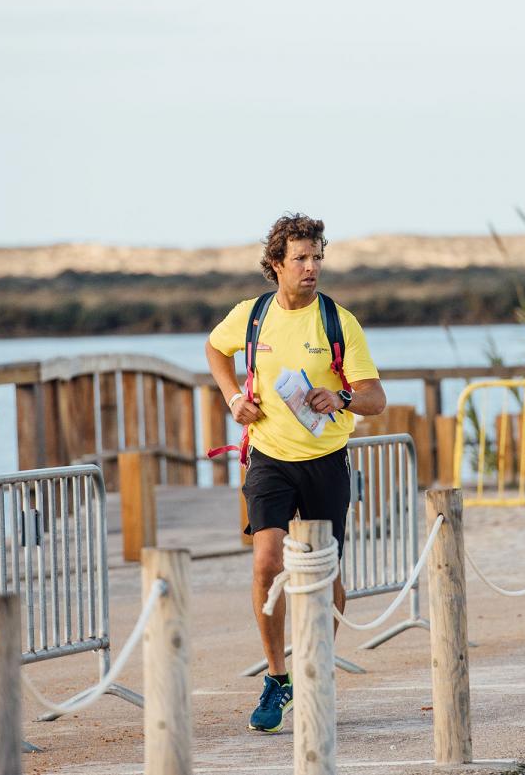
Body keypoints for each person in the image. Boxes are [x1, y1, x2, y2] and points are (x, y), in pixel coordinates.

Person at [205, 213, 386, 733]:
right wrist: (233, 397)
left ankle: (315, 669)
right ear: (276, 264)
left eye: (317, 257)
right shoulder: (252, 315)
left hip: (326, 460)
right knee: (267, 562)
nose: (311, 267)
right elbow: (215, 348)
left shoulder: (338, 322)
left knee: (326, 573)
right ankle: (278, 677)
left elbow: (375, 397)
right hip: (269, 458)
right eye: (300, 258)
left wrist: (342, 396)